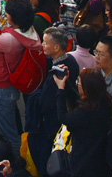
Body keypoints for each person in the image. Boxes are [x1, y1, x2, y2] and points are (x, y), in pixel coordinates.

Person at [0, 0, 43, 154]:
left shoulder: (9, 39)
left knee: (7, 131)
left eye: (8, 14)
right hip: (10, 85)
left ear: (14, 18)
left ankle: (14, 160)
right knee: (10, 123)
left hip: (0, 87)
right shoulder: (28, 32)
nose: (5, 15)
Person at [24, 25, 79, 175]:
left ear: (56, 47)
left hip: (54, 124)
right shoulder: (70, 61)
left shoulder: (59, 71)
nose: (42, 45)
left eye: (45, 42)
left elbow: (46, 103)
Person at [50, 65, 112, 177]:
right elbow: (78, 100)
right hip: (101, 160)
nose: (77, 85)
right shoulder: (104, 103)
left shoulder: (84, 113)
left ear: (86, 88)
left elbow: (63, 118)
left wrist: (61, 90)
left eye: (78, 83)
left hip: (83, 162)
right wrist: (66, 83)